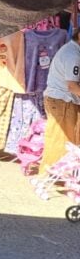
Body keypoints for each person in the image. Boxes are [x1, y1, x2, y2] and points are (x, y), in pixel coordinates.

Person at [42, 27, 80, 173]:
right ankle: (49, 176)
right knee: (60, 139)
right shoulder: (73, 55)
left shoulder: (72, 50)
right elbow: (72, 86)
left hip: (61, 101)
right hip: (62, 101)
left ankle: (58, 175)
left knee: (63, 139)